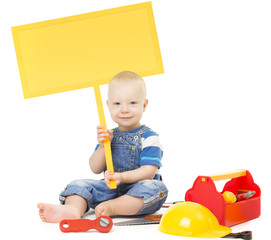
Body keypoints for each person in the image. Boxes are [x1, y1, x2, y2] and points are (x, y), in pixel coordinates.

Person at [38, 71, 168, 223]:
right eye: (117, 104)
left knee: (156, 189)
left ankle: (113, 207)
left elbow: (148, 172)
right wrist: (102, 147)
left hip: (137, 190)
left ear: (144, 105)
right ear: (108, 105)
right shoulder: (109, 135)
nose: (124, 109)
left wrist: (122, 177)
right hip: (109, 188)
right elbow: (95, 168)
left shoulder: (149, 137)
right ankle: (72, 210)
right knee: (78, 185)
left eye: (132, 103)